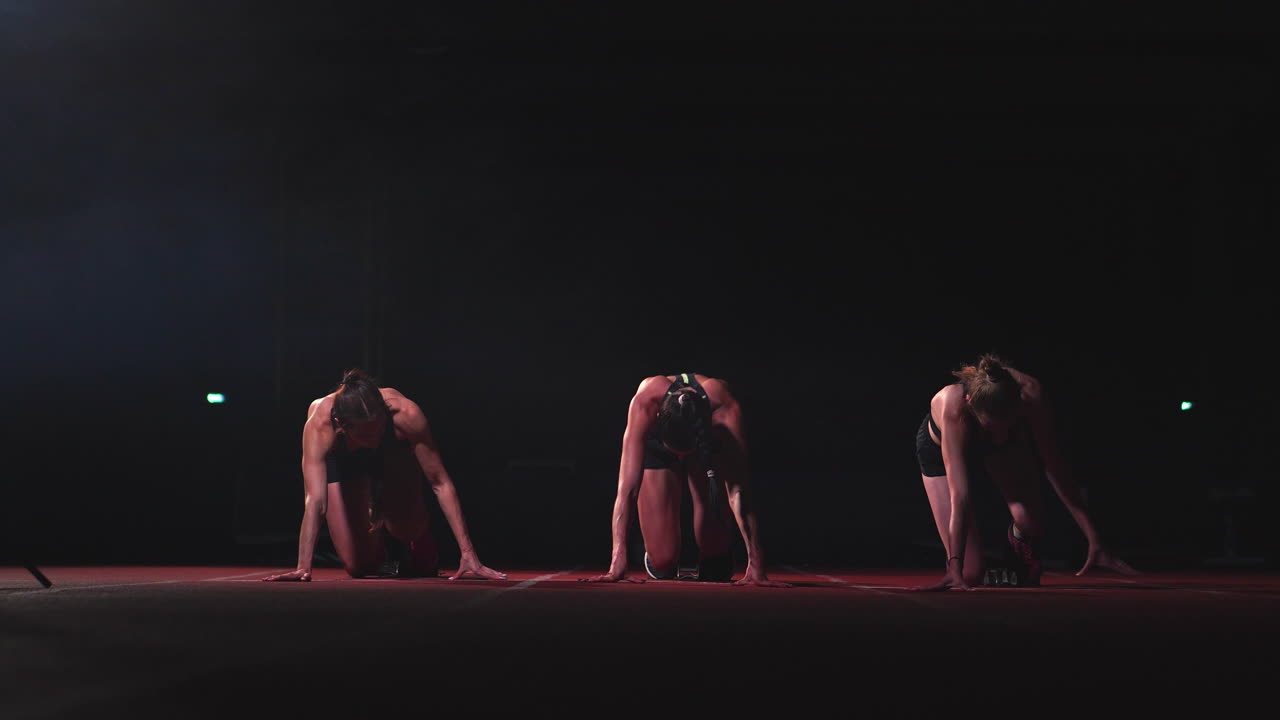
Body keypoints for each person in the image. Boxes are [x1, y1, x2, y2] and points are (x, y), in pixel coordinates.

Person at [913, 353, 1137, 591]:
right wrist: (954, 569)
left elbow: (1054, 465)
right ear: (971, 404)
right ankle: (973, 570)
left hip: (1001, 445)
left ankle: (1015, 558)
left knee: (1030, 520)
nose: (999, 433)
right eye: (992, 427)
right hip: (941, 448)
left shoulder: (1031, 393)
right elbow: (961, 497)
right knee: (971, 573)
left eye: (1009, 423)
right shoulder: (953, 405)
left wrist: (1093, 537)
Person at [264, 369, 505, 582]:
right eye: (367, 435)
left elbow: (440, 483)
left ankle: (415, 540)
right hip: (346, 462)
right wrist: (303, 567)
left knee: (405, 529)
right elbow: (315, 500)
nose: (375, 438)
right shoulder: (320, 422)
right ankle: (385, 549)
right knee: (358, 567)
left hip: (394, 455)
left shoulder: (406, 414)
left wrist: (468, 553)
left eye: (379, 428)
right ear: (341, 424)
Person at [584, 372, 790, 587]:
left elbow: (738, 491)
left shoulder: (724, 406)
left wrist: (756, 563)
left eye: (685, 452)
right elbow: (627, 490)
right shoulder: (645, 402)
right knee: (662, 562)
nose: (682, 458)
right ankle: (656, 552)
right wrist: (618, 559)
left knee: (716, 561)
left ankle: (717, 554)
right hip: (660, 448)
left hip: (706, 447)